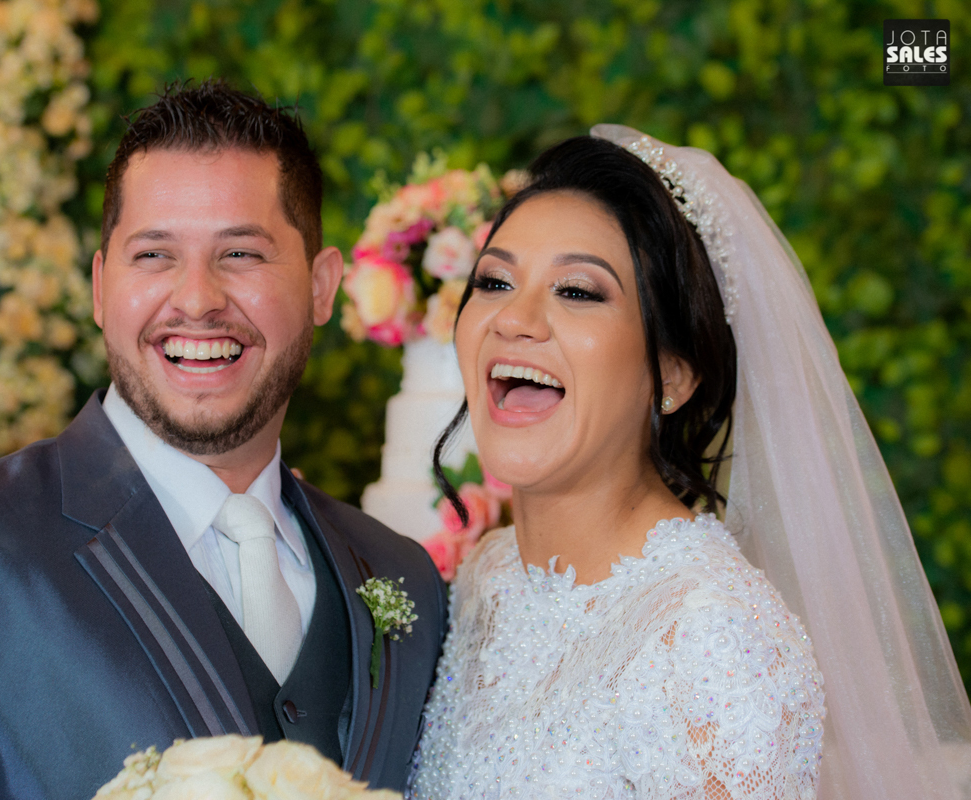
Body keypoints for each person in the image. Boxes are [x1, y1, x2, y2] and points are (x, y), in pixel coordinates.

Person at [0, 81, 447, 799]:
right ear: (101, 287)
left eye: (241, 254)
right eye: (154, 255)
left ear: (321, 286)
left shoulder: (401, 574)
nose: (196, 299)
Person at [410, 129, 971, 799]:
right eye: (494, 281)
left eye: (579, 291)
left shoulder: (713, 637)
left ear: (672, 375)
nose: (515, 319)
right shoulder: (486, 576)